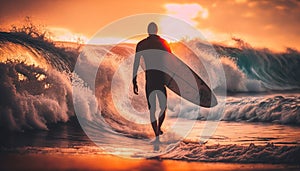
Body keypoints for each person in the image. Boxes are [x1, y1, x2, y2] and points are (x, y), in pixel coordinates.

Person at [132, 22, 171, 140]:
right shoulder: (163, 43)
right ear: (157, 30)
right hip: (161, 79)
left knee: (152, 108)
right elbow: (172, 62)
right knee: (163, 107)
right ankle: (158, 128)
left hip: (149, 79)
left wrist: (134, 80)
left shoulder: (141, 44)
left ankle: (156, 133)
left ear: (148, 31)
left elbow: (136, 63)